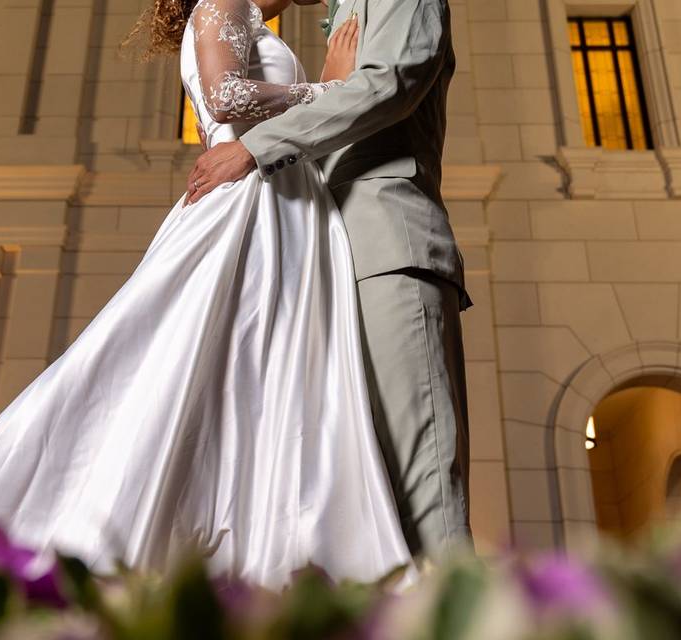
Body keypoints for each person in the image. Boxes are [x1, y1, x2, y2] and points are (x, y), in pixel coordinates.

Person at [0, 0, 415, 590]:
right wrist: (331, 88)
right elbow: (227, 99)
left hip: (290, 205)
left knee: (259, 381)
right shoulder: (220, 3)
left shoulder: (247, 17)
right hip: (254, 206)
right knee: (178, 369)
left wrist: (325, 92)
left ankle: (258, 551)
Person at [185, 0, 473, 557]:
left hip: (388, 248)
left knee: (420, 486)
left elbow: (389, 82)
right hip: (324, 261)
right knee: (360, 503)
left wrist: (254, 147)